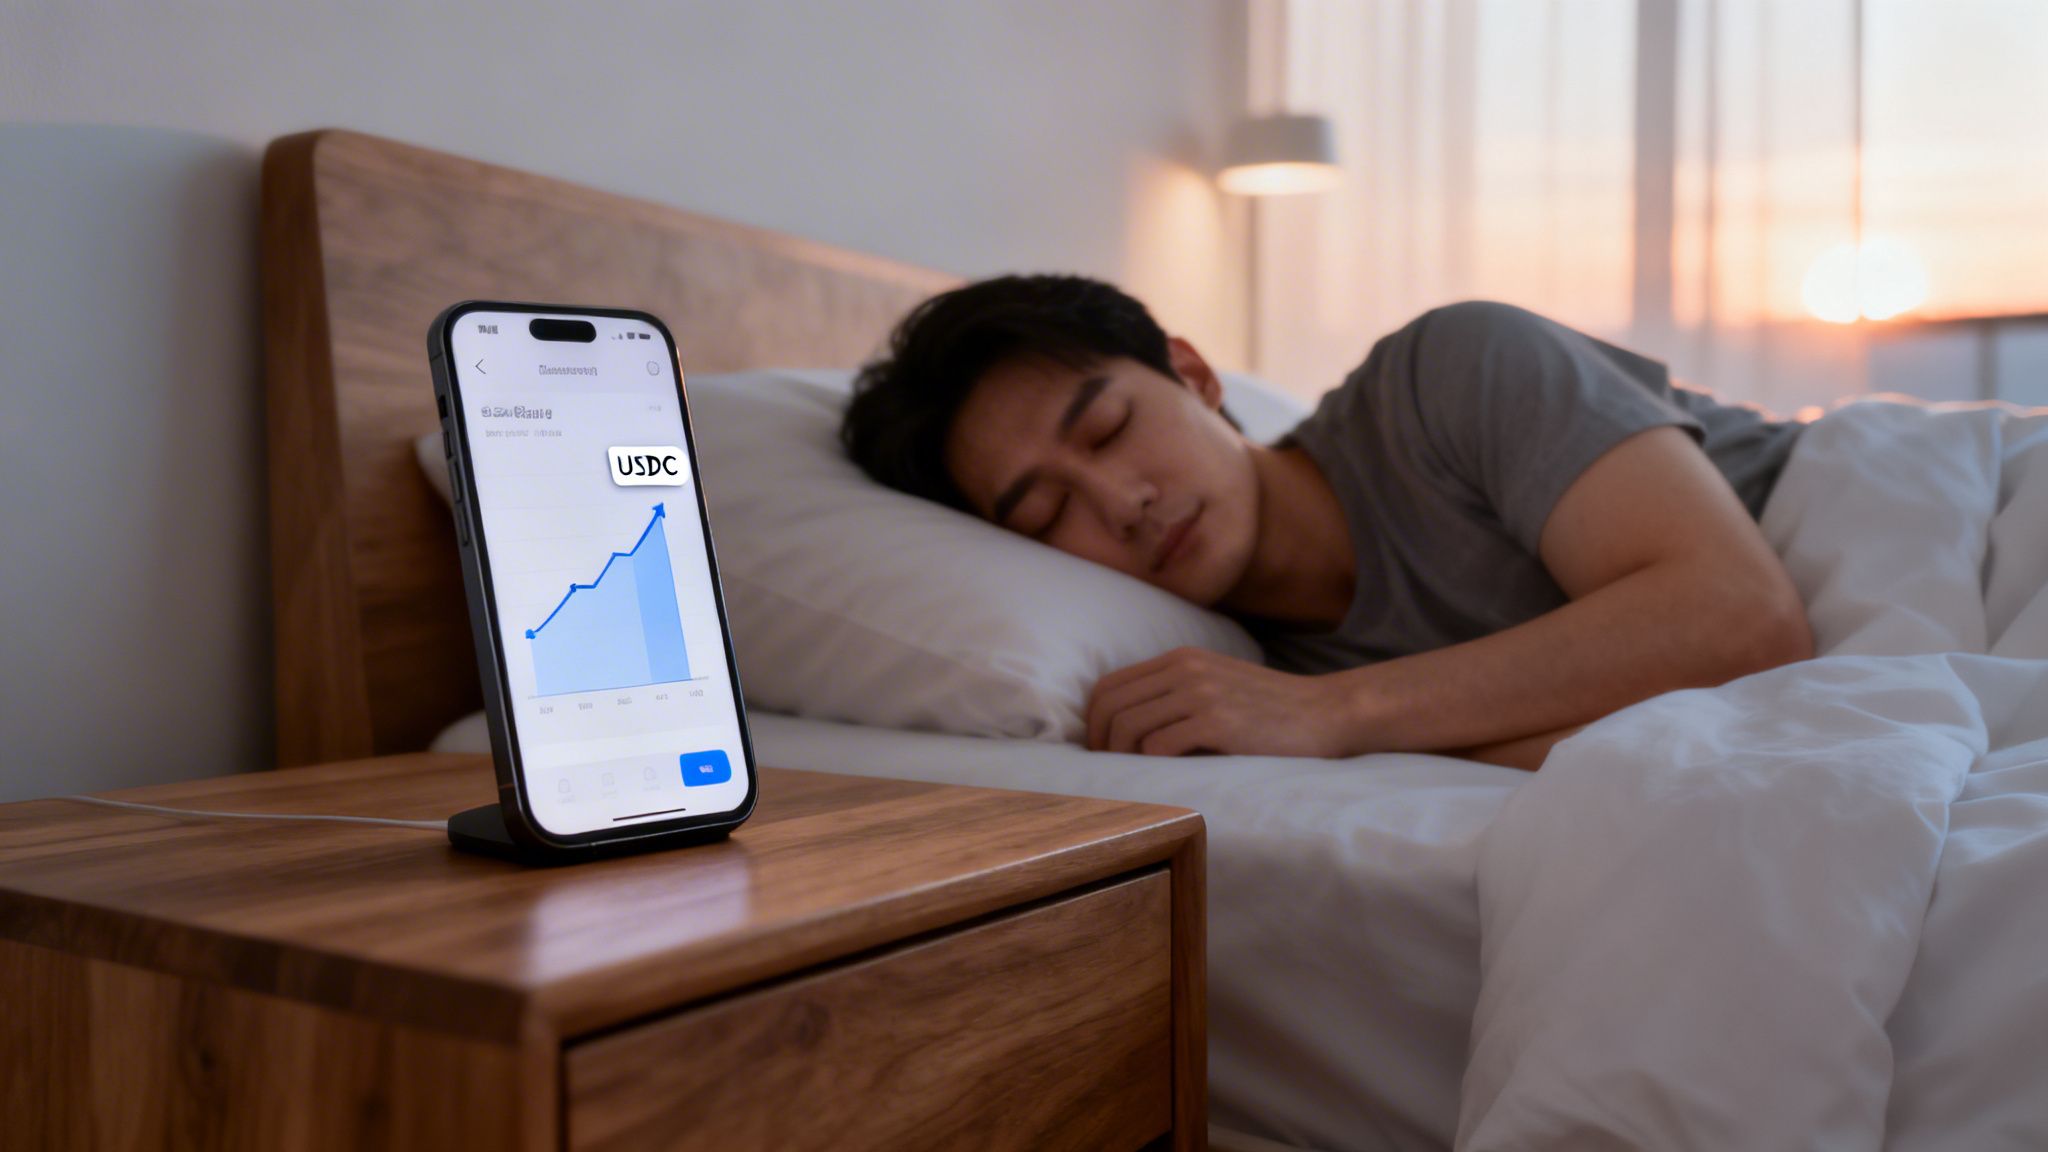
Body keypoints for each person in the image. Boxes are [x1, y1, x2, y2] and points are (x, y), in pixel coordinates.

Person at [840, 275, 1813, 769]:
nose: (1121, 504)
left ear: (1192, 374)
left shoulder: (1447, 373)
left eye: (1107, 427)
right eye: (1049, 515)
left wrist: (1334, 716)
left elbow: (1741, 618)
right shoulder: (1236, 693)